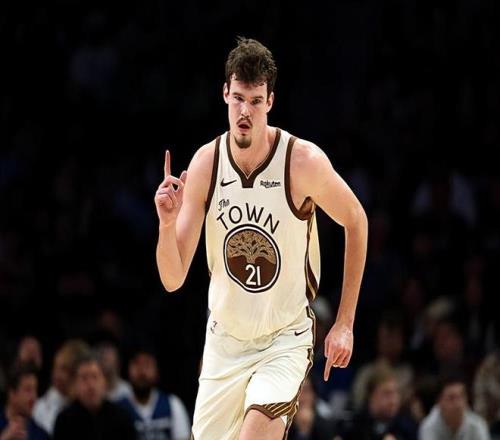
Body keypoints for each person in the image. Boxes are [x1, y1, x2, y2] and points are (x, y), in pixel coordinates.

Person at [154, 37, 368, 439]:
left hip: (283, 340)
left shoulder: (301, 161)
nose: (244, 112)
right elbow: (172, 278)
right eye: (238, 98)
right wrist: (167, 226)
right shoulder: (205, 164)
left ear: (270, 101)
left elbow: (356, 220)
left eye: (255, 101)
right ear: (225, 94)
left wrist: (345, 322)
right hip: (224, 342)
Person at [53, 352, 135, 440]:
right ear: (75, 384)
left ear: (105, 382)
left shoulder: (121, 418)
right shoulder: (64, 420)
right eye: (84, 378)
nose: (91, 385)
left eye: (95, 377)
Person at [118, 347, 190, 440]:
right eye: (136, 363)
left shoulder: (172, 404)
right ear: (128, 369)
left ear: (157, 370)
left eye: (147, 364)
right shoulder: (118, 409)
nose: (142, 371)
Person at [33, 339, 91, 435]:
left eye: (63, 369)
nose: (56, 374)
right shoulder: (41, 407)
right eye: (55, 367)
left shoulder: (91, 404)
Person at [418, 374, 490, 440]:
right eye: (451, 398)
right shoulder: (429, 427)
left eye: (461, 397)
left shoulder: (477, 425)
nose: (458, 404)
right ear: (439, 402)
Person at [0, 363, 49, 440]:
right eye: (28, 390)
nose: (34, 396)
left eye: (35, 390)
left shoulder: (41, 436)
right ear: (12, 393)